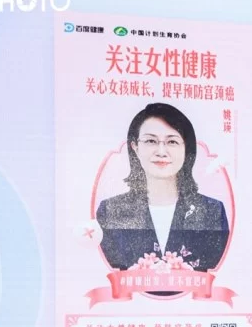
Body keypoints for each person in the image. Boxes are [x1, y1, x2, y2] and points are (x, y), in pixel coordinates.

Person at [95, 102, 230, 275]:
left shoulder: (212, 211)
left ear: (186, 148)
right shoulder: (110, 211)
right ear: (135, 147)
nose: (161, 151)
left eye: (172, 141)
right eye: (151, 141)